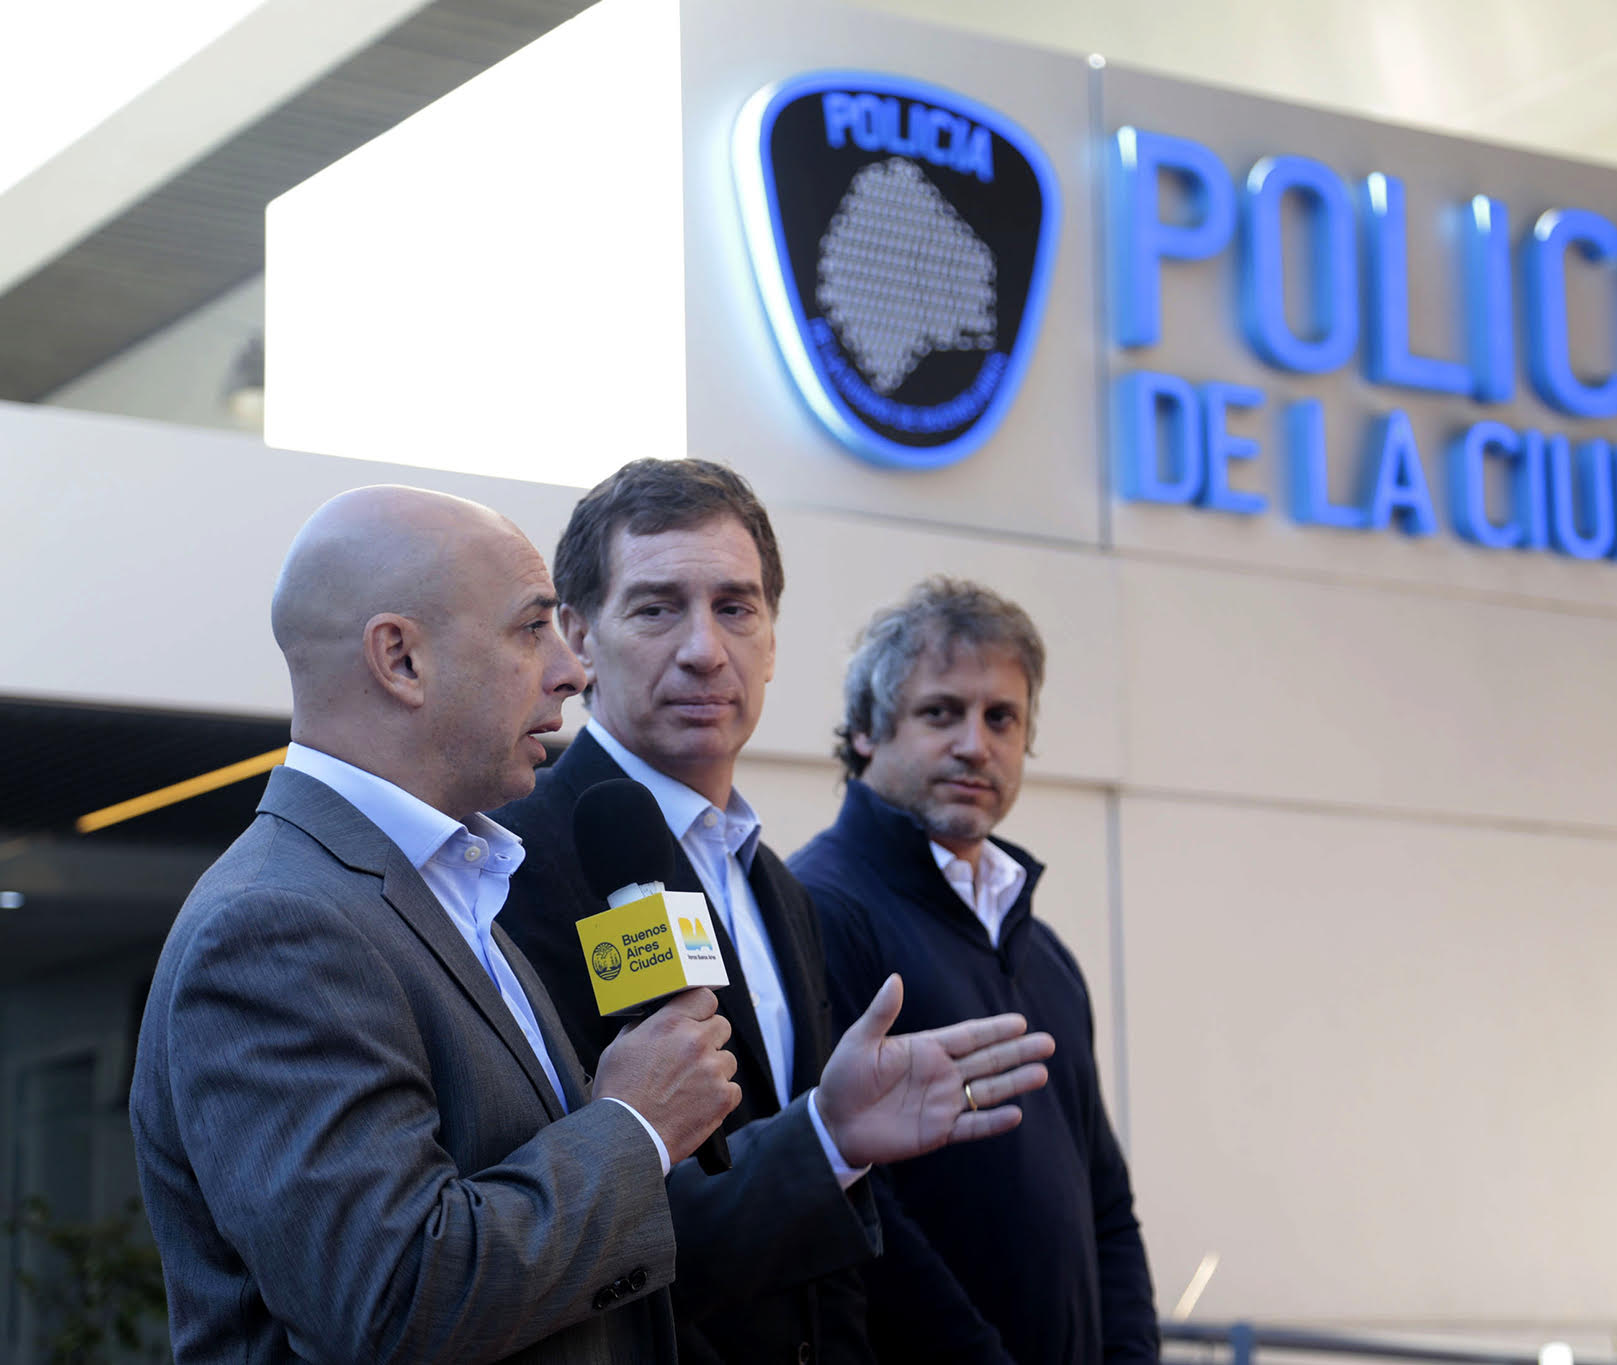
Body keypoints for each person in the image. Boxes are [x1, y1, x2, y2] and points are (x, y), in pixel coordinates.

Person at [130, 487, 1054, 1365]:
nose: (569, 673)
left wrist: (823, 1132)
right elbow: (393, 1300)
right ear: (401, 659)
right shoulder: (275, 925)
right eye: (531, 628)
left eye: (737, 608)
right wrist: (633, 1126)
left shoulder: (456, 886)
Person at [491, 458, 866, 1362]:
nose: (705, 649)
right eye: (657, 609)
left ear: (772, 641)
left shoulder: (780, 886)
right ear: (577, 638)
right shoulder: (506, 866)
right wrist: (828, 1138)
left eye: (736, 608)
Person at [790, 578, 1160, 1364]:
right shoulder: (817, 910)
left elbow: (1107, 1203)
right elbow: (856, 1209)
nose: (975, 744)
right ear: (867, 731)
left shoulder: (1045, 951)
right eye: (941, 711)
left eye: (1002, 717)